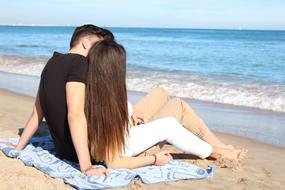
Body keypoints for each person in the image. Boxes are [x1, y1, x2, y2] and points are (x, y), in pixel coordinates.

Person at [85, 39, 247, 169]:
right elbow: (114, 162)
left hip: (125, 129)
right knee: (172, 119)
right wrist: (153, 159)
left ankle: (217, 145)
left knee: (160, 93)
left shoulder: (96, 87)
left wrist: (130, 112)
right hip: (128, 148)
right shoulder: (103, 107)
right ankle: (216, 151)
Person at [13, 24, 112, 176]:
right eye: (98, 46)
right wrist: (86, 166)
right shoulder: (80, 63)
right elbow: (75, 114)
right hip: (85, 152)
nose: (100, 52)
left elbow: (36, 113)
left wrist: (18, 147)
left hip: (62, 150)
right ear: (85, 43)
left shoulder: (51, 62)